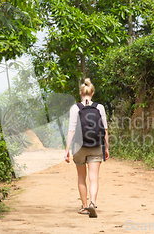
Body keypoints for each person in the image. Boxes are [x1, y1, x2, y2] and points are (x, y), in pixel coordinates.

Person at [64, 78, 109, 218]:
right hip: (96, 145)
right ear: (92, 92)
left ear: (80, 93)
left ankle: (84, 207)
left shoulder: (75, 108)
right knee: (94, 177)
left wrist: (67, 149)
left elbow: (71, 130)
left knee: (81, 177)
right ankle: (92, 203)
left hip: (79, 146)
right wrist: (106, 148)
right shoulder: (99, 107)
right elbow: (105, 130)